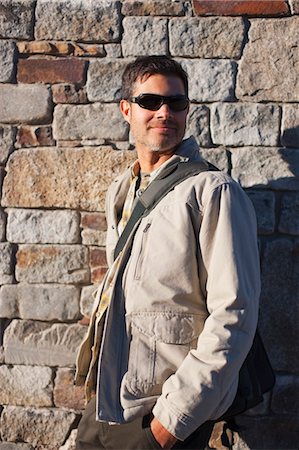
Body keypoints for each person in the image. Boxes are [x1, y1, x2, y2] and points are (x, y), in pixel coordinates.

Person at [75, 55, 260, 450]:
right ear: (126, 109)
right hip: (107, 402)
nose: (165, 112)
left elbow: (234, 315)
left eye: (176, 103)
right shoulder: (122, 191)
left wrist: (168, 425)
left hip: (161, 416)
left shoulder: (213, 192)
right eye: (150, 102)